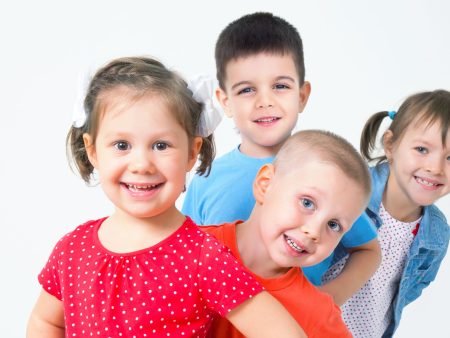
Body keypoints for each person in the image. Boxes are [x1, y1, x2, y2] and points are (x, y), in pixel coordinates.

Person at [26, 56, 307, 338]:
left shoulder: (202, 257)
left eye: (161, 145)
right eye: (121, 145)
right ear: (93, 150)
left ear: (191, 152)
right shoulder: (72, 249)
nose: (141, 164)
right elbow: (46, 322)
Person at [182, 11, 380, 304]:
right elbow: (186, 256)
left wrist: (327, 299)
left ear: (302, 95)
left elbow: (368, 250)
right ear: (225, 101)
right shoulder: (206, 180)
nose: (266, 101)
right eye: (247, 89)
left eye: (280, 86)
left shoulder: (326, 176)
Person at [202, 129, 372, 337]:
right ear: (265, 185)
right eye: (307, 203)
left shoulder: (317, 313)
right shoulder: (189, 246)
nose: (314, 232)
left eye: (334, 225)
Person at [324, 89, 450, 337]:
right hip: (309, 325)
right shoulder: (349, 191)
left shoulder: (437, 232)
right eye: (422, 150)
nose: (435, 168)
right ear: (391, 145)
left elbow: (412, 288)